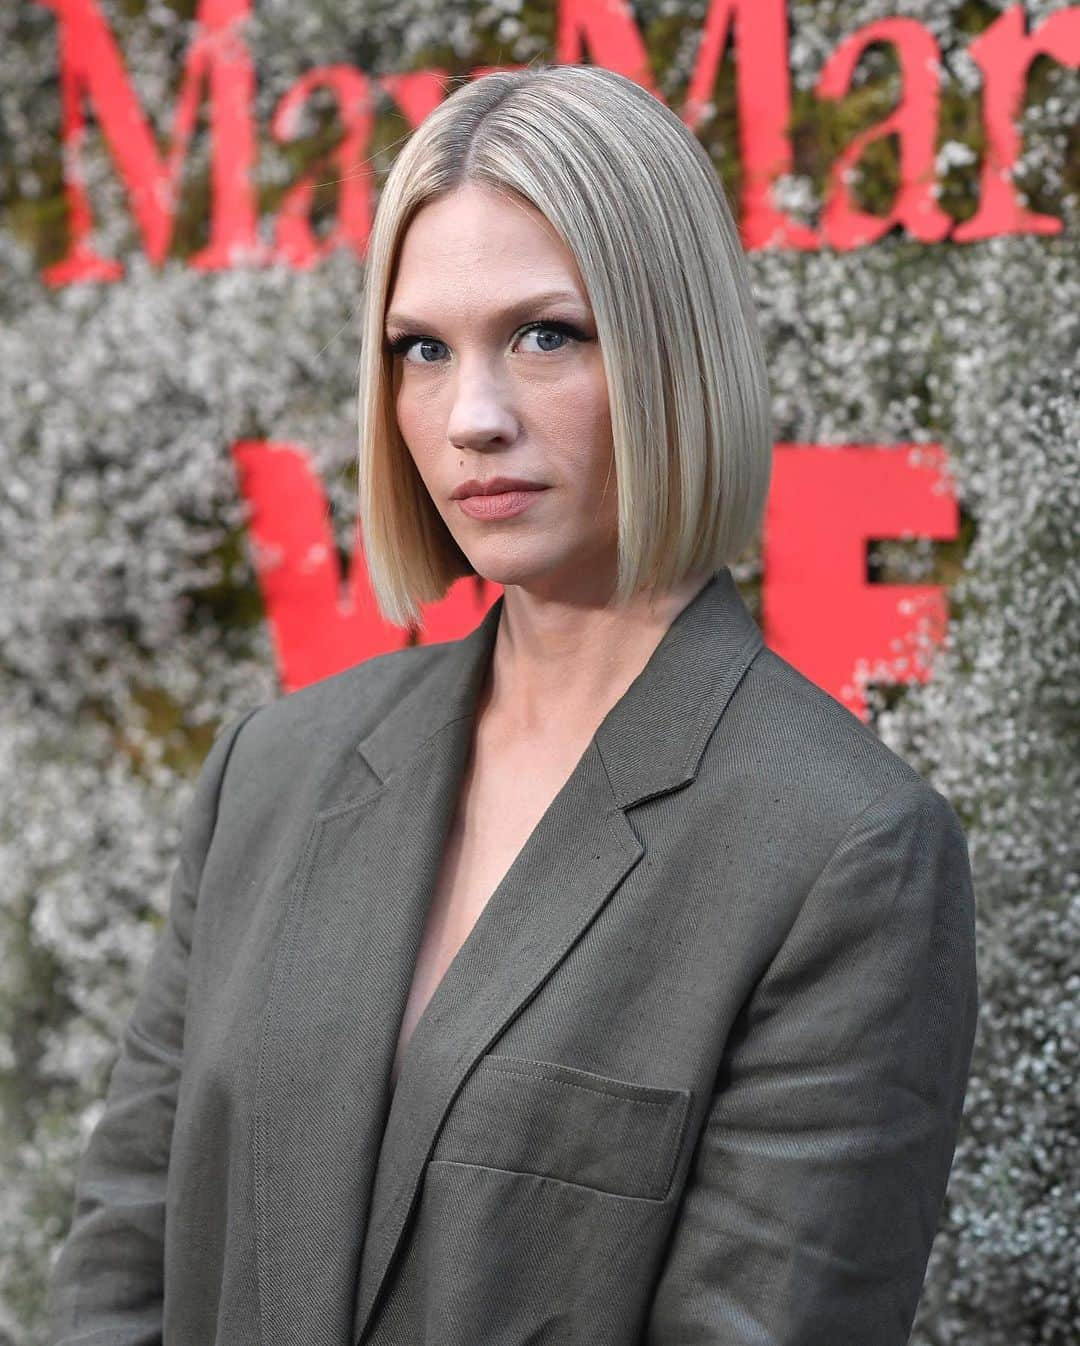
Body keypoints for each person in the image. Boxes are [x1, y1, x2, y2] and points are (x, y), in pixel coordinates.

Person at [48, 63, 978, 1346]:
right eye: (422, 349)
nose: (470, 417)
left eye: (545, 333)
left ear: (673, 350)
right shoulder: (275, 767)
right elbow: (123, 1258)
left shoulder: (845, 852)